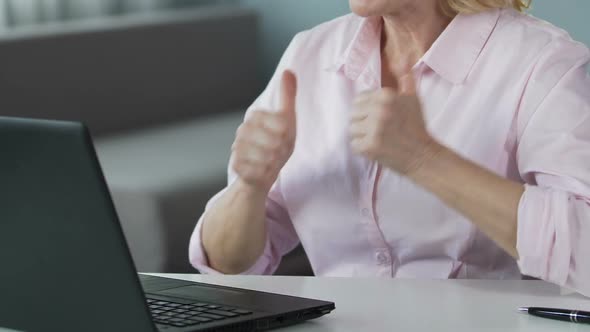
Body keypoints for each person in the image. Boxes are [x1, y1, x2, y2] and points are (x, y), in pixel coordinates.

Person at [189, 0, 590, 297]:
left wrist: (425, 159)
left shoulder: (543, 63)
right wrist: (249, 187)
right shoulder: (310, 53)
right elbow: (228, 265)